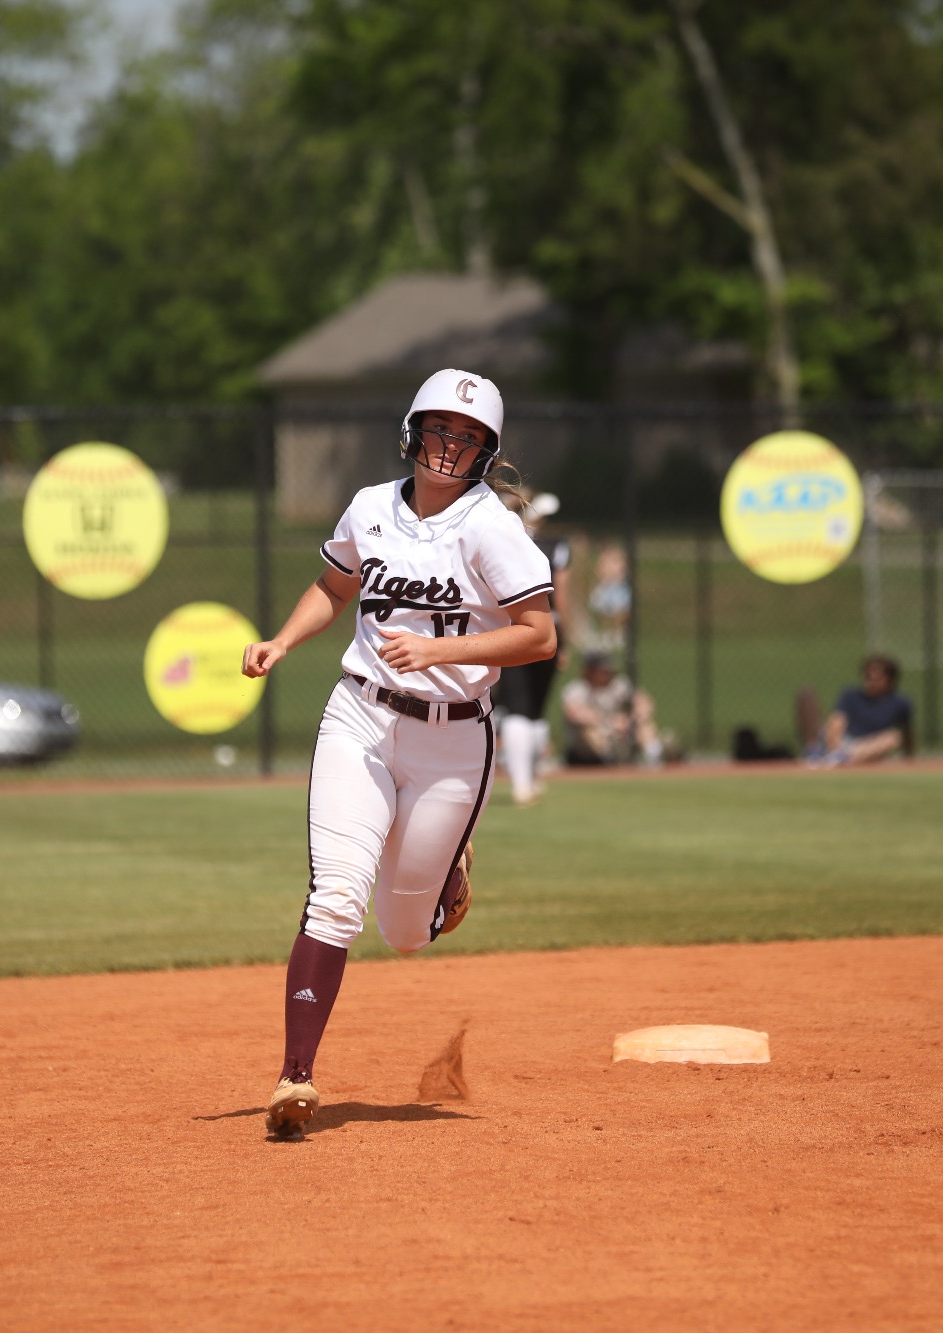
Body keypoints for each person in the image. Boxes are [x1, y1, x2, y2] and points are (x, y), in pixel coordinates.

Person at [240, 368, 557, 1140]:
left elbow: (540, 634)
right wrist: (283, 639)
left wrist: (446, 647)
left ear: (488, 453)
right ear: (415, 431)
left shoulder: (490, 526)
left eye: (472, 436)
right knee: (338, 895)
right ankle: (296, 1076)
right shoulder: (370, 508)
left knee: (405, 931)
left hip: (453, 739)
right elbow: (334, 583)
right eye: (444, 429)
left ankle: (446, 864)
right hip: (361, 719)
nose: (454, 447)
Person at [492, 489, 573, 805]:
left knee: (520, 706)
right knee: (532, 708)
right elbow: (561, 594)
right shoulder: (555, 546)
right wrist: (562, 637)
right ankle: (528, 781)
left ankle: (524, 783)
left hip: (511, 628)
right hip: (544, 627)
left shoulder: (503, 540)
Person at [799, 654, 915, 766]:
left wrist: (909, 759)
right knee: (812, 701)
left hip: (868, 747)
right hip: (841, 742)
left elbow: (907, 734)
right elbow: (837, 721)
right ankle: (826, 754)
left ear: (890, 680)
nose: (872, 682)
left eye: (877, 679)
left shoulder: (900, 703)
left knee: (893, 737)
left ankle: (838, 758)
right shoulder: (851, 695)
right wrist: (835, 745)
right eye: (868, 677)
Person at [561, 651, 664, 766]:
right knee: (589, 731)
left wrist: (630, 720)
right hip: (588, 749)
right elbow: (575, 714)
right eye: (603, 669)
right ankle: (609, 765)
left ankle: (654, 761)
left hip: (621, 733)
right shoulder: (576, 689)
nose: (609, 672)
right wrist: (609, 722)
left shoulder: (619, 685)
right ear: (590, 670)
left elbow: (644, 704)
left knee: (645, 724)